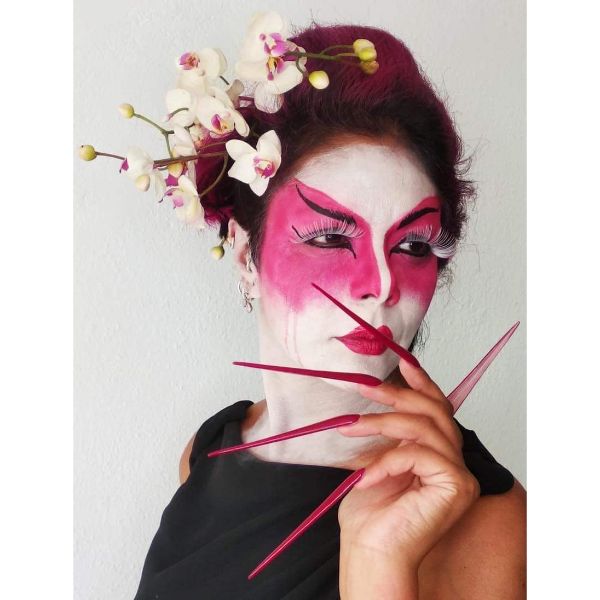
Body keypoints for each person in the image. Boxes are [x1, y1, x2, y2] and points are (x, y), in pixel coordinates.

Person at [129, 18, 525, 600]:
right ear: (246, 254)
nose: (381, 285)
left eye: (413, 246)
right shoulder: (209, 450)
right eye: (330, 238)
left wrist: (379, 562)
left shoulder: (490, 523)